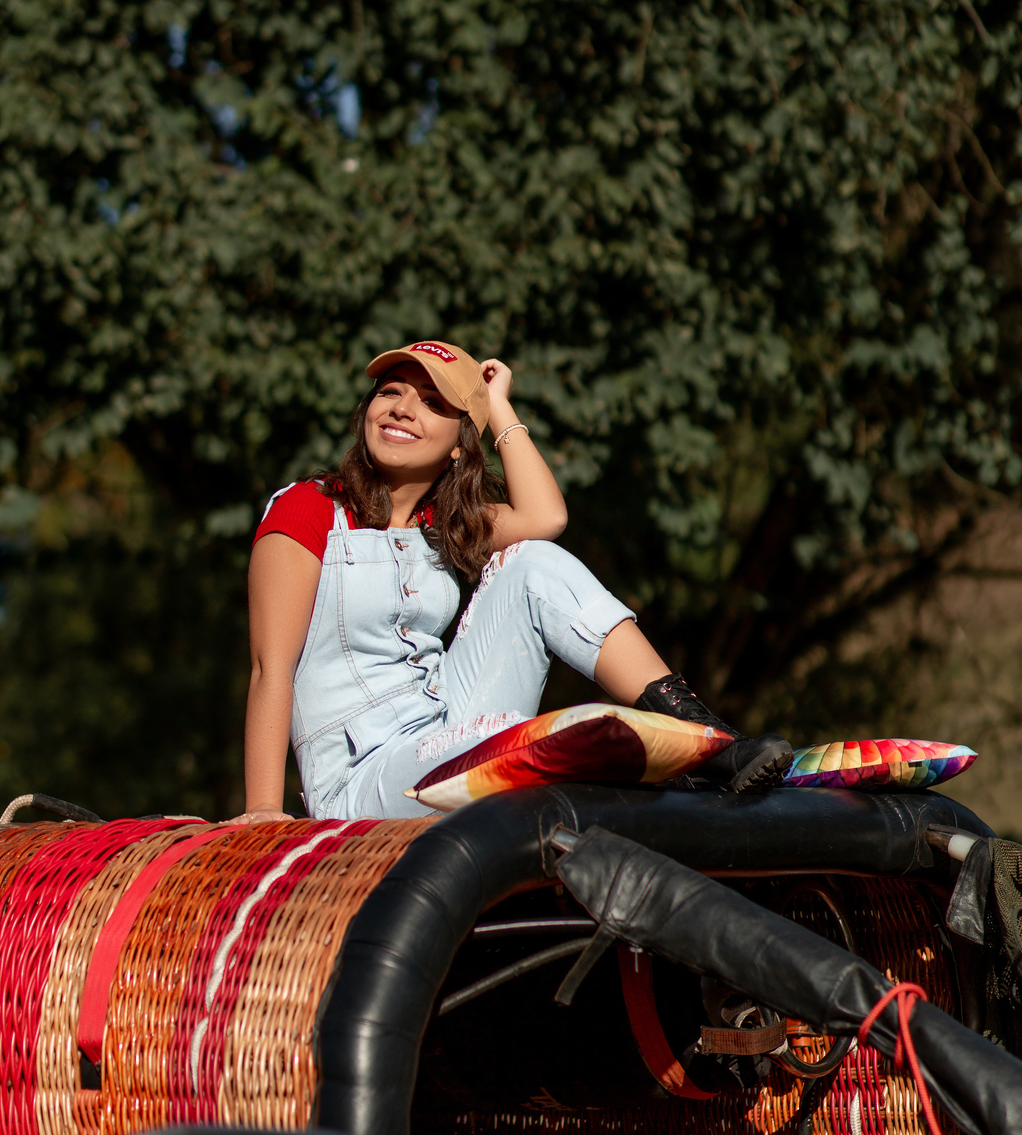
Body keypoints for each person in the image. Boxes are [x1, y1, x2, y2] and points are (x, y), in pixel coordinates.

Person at [240, 341, 791, 823]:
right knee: (502, 741)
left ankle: (708, 743)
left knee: (530, 561)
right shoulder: (310, 509)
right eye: (391, 392)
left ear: (459, 444)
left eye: (432, 403)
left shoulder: (442, 525)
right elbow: (270, 668)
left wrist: (498, 405)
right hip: (362, 776)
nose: (403, 408)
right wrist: (263, 806)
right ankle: (636, 764)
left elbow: (545, 517)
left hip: (445, 729)